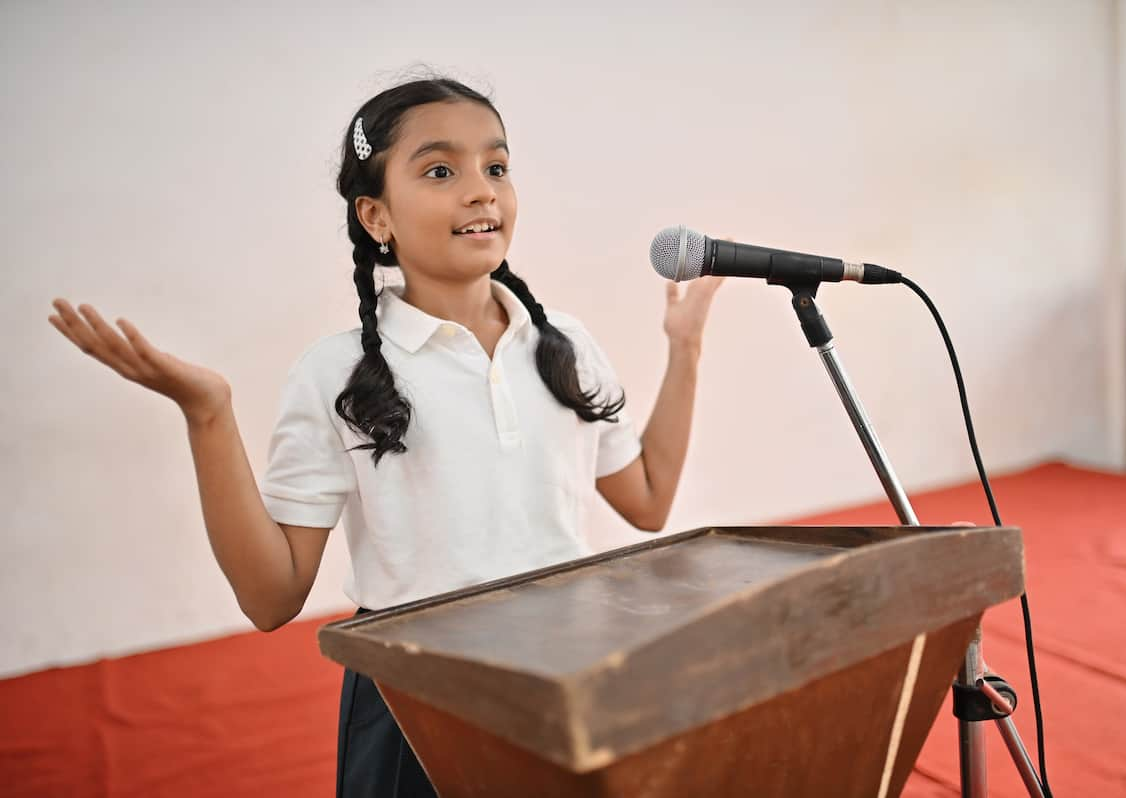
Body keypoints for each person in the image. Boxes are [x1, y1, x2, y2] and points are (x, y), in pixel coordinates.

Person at [47, 76, 724, 797]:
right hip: (413, 706)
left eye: (496, 167)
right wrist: (207, 413)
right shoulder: (336, 372)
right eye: (441, 170)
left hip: (568, 681)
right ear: (376, 215)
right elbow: (271, 598)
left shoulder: (565, 344)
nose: (481, 191)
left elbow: (648, 501)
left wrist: (684, 351)